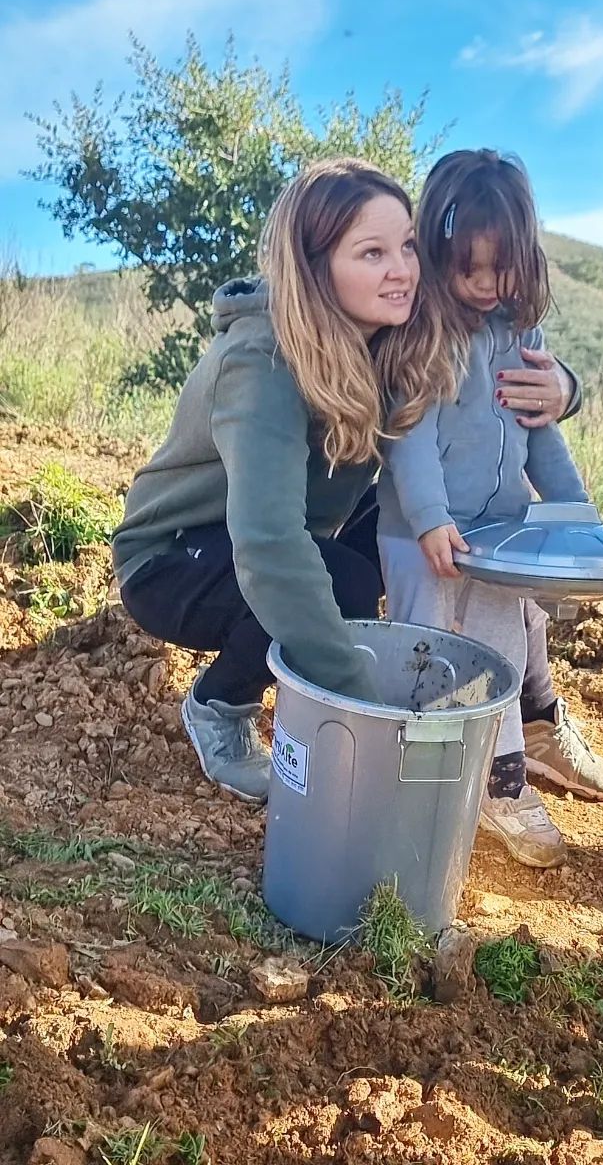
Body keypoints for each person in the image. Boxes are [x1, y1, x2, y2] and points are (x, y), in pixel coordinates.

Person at [113, 158, 459, 802]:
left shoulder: (384, 339)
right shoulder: (262, 359)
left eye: (408, 246)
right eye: (373, 252)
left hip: (268, 533)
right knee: (343, 581)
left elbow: (476, 379)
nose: (403, 270)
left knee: (389, 525)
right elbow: (270, 544)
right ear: (315, 267)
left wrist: (562, 389)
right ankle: (221, 705)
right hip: (169, 560)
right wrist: (360, 698)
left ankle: (350, 670)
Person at [378, 148, 603, 867]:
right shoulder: (422, 332)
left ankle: (502, 784)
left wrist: (576, 513)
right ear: (437, 252)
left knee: (500, 653)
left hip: (499, 537)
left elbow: (540, 433)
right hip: (419, 536)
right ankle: (420, 789)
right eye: (470, 269)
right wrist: (429, 517)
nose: (486, 285)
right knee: (427, 655)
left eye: (501, 268)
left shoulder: (521, 336)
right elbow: (409, 433)